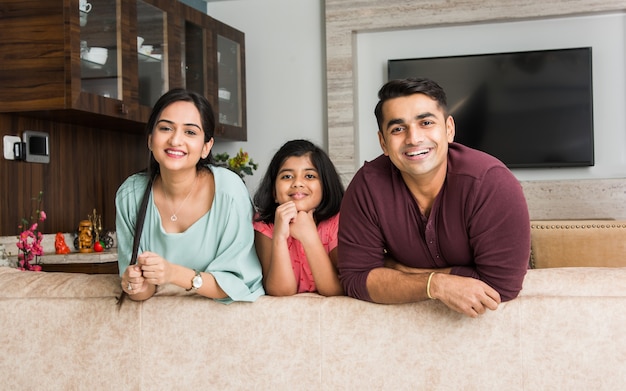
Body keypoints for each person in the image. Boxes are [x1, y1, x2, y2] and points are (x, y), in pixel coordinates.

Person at [338, 78, 530, 317]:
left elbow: (502, 286)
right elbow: (355, 279)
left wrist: (400, 271)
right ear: (383, 143)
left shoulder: (490, 183)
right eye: (398, 129)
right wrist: (435, 284)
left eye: (426, 122)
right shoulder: (366, 187)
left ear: (449, 129)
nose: (414, 138)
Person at [116, 88, 264, 303]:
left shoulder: (228, 191)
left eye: (190, 132)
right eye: (166, 128)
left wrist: (173, 274)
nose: (175, 140)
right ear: (150, 140)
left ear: (206, 147)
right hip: (164, 324)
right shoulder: (130, 195)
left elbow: (238, 284)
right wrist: (134, 284)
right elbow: (140, 293)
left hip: (225, 322)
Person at [253, 139, 345, 296]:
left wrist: (309, 237)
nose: (297, 183)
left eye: (309, 176)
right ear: (274, 192)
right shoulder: (264, 225)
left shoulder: (338, 221)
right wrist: (280, 238)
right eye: (287, 176)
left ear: (325, 186)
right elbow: (281, 292)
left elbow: (335, 291)